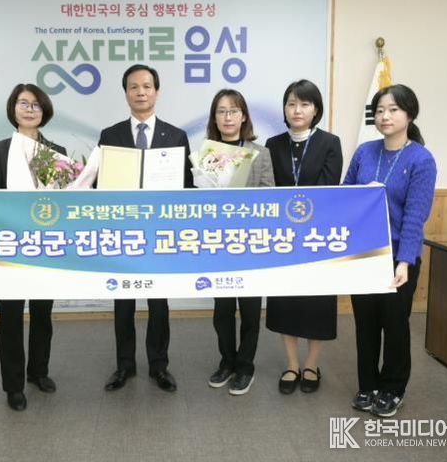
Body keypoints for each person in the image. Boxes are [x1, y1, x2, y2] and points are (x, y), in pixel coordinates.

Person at [99, 64, 193, 393]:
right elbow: (101, 185)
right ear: (126, 93)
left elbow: (186, 187)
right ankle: (124, 365)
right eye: (134, 87)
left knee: (158, 303)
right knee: (123, 302)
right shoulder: (110, 136)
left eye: (147, 86)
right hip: (123, 231)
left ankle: (159, 365)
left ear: (157, 91)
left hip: (159, 232)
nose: (141, 92)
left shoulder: (176, 136)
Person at [344, 84, 436, 417]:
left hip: (398, 256)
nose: (385, 116)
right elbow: (344, 195)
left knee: (395, 324)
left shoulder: (421, 159)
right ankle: (367, 384)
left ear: (410, 114)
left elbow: (415, 216)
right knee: (365, 323)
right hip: (364, 253)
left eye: (393, 109)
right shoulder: (364, 152)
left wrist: (405, 261)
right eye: (380, 110)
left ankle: (393, 388)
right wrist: (361, 194)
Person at [0, 83, 67, 411]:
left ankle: (38, 372)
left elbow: (64, 201)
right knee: (11, 317)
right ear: (13, 109)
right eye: (23, 103)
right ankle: (13, 385)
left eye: (36, 104)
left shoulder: (56, 150)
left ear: (44, 111)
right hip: (11, 246)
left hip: (45, 245)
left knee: (43, 314)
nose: (30, 109)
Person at [265, 79, 343, 394]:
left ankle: (311, 364)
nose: (297, 110)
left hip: (316, 238)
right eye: (291, 104)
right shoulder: (273, 144)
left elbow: (328, 190)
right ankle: (291, 364)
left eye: (305, 104)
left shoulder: (330, 143)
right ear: (285, 109)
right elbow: (268, 190)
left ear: (315, 109)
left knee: (316, 303)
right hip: (283, 239)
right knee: (285, 302)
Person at [204, 89, 274, 395]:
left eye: (233, 111)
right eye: (221, 111)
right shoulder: (207, 153)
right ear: (214, 118)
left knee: (249, 310)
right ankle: (227, 361)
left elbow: (269, 196)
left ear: (243, 116)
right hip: (218, 244)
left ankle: (245, 366)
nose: (227, 117)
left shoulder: (261, 153)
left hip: (249, 244)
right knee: (222, 311)